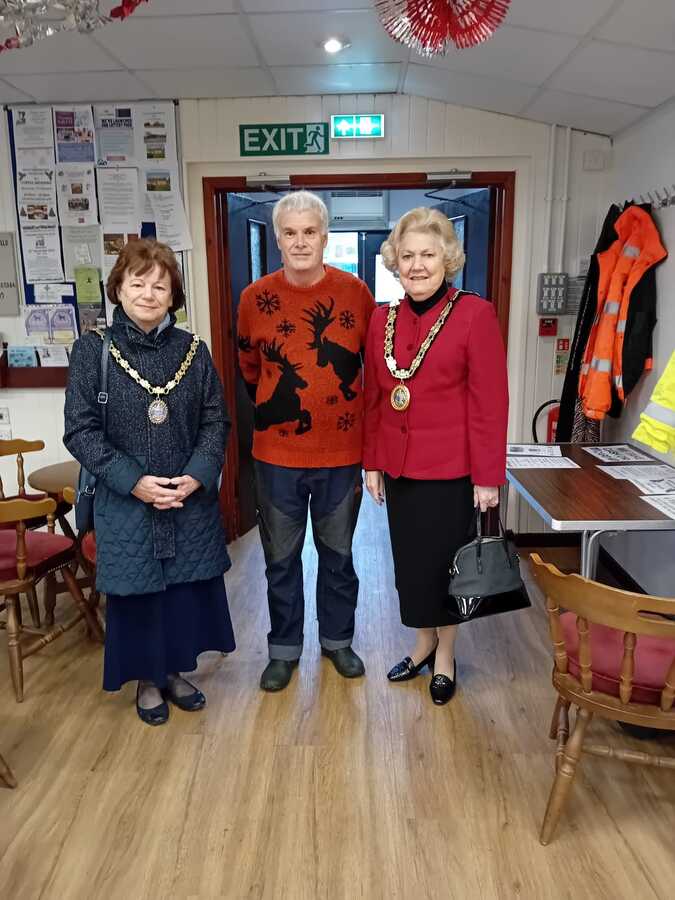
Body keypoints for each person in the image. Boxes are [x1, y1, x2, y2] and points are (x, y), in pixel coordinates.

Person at [64, 238, 235, 725]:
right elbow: (79, 429)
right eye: (137, 282)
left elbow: (214, 423)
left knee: (183, 593)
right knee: (138, 596)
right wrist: (134, 482)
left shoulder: (193, 352)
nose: (148, 293)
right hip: (126, 503)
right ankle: (146, 681)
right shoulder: (93, 351)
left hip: (187, 500)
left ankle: (177, 672)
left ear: (173, 296)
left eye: (160, 285)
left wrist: (198, 477)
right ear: (118, 288)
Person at [363, 207, 508, 705]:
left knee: (450, 567)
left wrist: (488, 477)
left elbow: (491, 402)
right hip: (400, 467)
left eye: (428, 254)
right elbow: (374, 398)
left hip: (454, 470)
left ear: (447, 259)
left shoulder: (475, 313)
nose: (418, 265)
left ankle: (446, 654)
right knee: (412, 565)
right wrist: (372, 461)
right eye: (408, 256)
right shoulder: (382, 318)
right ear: (395, 262)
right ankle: (422, 643)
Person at [237, 190, 375, 691]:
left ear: (325, 235)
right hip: (276, 458)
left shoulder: (356, 293)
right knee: (280, 560)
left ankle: (338, 642)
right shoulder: (254, 299)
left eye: (309, 232)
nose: (300, 242)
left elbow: (370, 370)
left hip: (341, 456)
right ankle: (284, 650)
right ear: (277, 239)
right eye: (290, 233)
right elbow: (249, 368)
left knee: (337, 556)